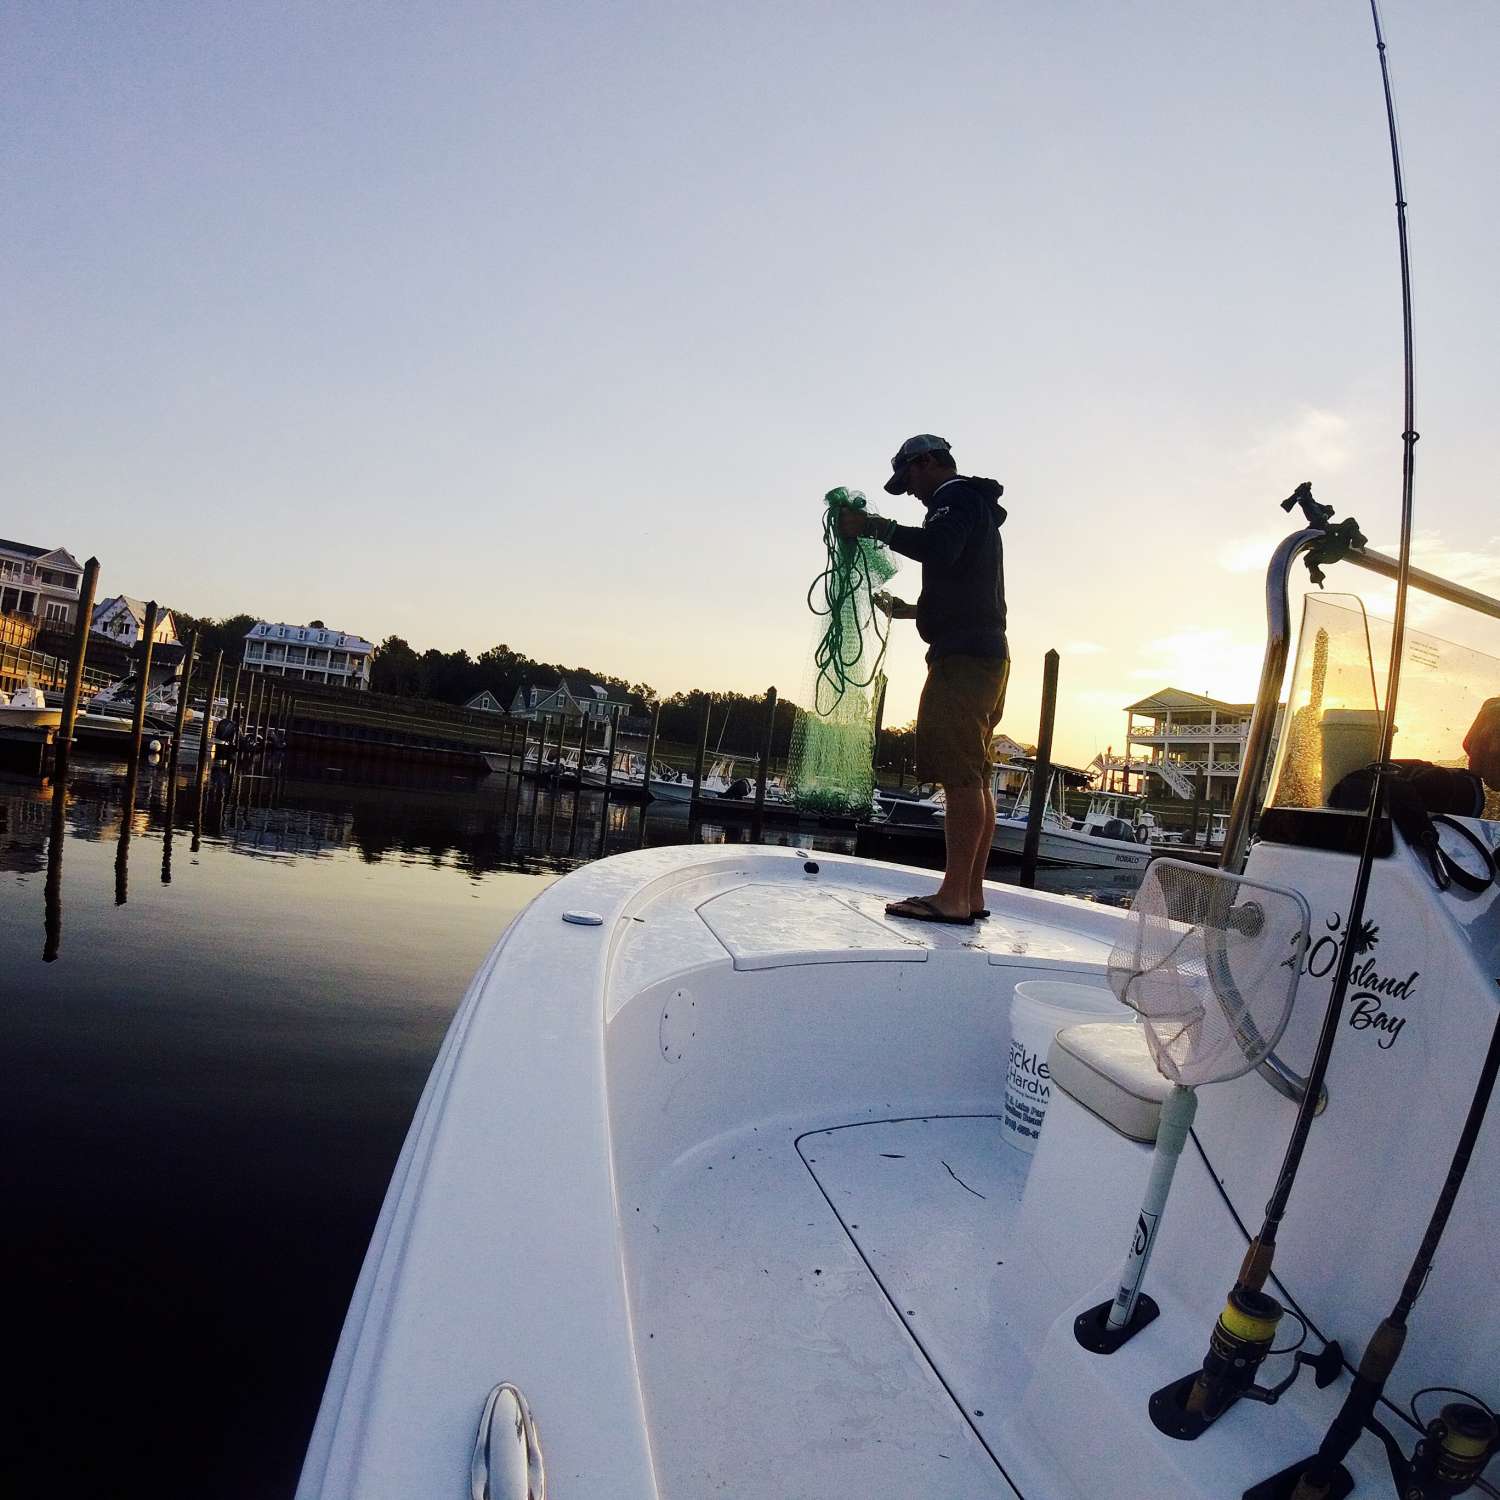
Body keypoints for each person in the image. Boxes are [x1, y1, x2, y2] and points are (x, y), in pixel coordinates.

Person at [839, 434, 1008, 924]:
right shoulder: (973, 505)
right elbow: (963, 583)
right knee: (975, 775)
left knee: (958, 775)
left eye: (909, 478)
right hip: (986, 655)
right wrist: (913, 610)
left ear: (927, 462)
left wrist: (873, 526)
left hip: (962, 662)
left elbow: (938, 549)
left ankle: (953, 898)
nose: (910, 491)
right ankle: (970, 895)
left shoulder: (954, 497)